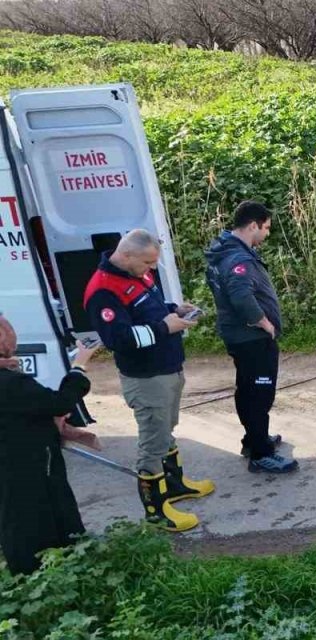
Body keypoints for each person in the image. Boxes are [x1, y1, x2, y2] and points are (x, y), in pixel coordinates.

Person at [84, 229, 213, 532]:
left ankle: (175, 485)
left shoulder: (136, 272)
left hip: (167, 367)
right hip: (146, 377)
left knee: (166, 430)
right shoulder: (103, 289)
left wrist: (173, 310)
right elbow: (119, 338)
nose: (152, 268)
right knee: (152, 443)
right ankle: (156, 511)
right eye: (148, 262)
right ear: (126, 255)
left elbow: (145, 309)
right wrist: (164, 328)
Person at [0, 315, 100, 574]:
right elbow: (59, 402)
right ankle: (53, 573)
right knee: (40, 519)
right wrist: (79, 365)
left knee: (15, 517)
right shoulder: (10, 383)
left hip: (13, 463)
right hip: (28, 464)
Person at [205, 201, 297, 474]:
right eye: (266, 228)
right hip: (252, 338)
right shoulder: (239, 259)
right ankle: (260, 454)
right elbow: (241, 296)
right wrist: (264, 323)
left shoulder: (227, 251)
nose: (267, 234)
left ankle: (253, 439)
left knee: (247, 389)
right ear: (253, 225)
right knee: (259, 394)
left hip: (240, 337)